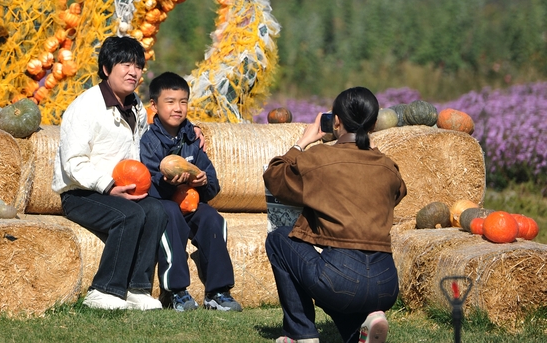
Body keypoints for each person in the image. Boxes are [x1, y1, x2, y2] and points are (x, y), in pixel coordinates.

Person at [263, 87, 407, 343]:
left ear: (336, 121)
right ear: (374, 125)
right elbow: (398, 193)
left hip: (340, 278)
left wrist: (302, 142)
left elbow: (274, 177)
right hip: (386, 285)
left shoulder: (320, 158)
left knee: (279, 239)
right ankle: (362, 328)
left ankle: (301, 334)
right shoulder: (387, 166)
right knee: (336, 283)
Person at [52, 36, 167, 310]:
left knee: (156, 211)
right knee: (129, 215)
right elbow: (73, 163)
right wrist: (108, 185)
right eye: (125, 64)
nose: (133, 72)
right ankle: (102, 290)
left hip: (120, 190)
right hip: (82, 193)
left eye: (138, 66)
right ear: (106, 68)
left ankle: (137, 289)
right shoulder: (85, 107)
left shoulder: (135, 107)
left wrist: (191, 130)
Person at [140, 72, 242, 313]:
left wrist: (203, 182)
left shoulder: (191, 139)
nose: (178, 108)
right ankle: (176, 291)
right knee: (169, 214)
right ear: (154, 105)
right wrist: (168, 183)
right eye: (170, 102)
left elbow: (213, 184)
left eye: (183, 102)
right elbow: (148, 185)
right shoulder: (149, 141)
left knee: (212, 218)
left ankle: (218, 292)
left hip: (190, 203)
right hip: (163, 203)